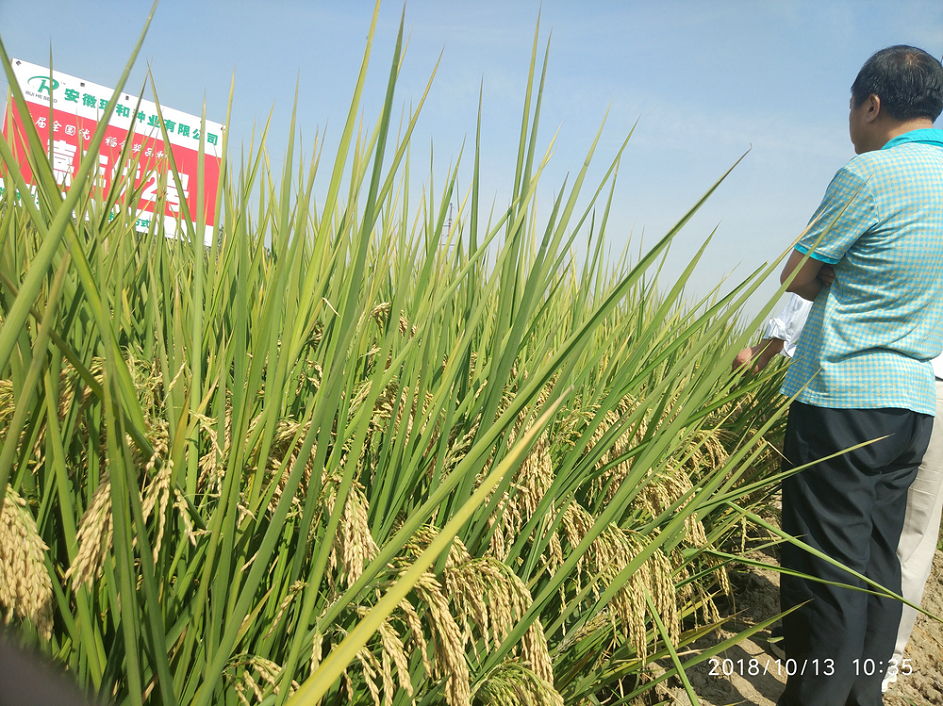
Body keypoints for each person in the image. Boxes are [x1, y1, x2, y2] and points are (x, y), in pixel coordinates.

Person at [773, 46, 943, 706]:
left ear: (870, 105)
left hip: (844, 397)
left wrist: (839, 279)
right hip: (909, 409)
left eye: (851, 106)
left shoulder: (867, 175)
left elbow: (796, 274)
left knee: (825, 571)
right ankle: (858, 700)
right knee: (876, 564)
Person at [735, 294, 943, 694]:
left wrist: (771, 343)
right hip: (924, 392)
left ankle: (828, 678)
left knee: (832, 554)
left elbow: (812, 275)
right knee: (899, 546)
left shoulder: (883, 228)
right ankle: (875, 674)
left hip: (861, 384)